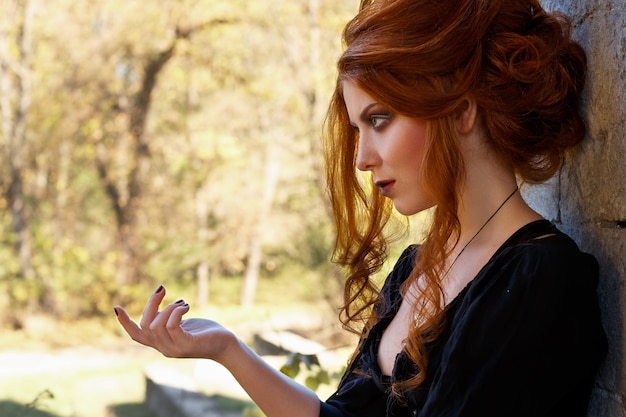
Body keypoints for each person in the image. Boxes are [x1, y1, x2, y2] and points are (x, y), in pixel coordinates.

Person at [114, 0, 607, 416]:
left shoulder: (540, 279)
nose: (362, 159)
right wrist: (227, 349)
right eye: (358, 128)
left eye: (380, 119)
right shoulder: (417, 268)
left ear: (460, 109)